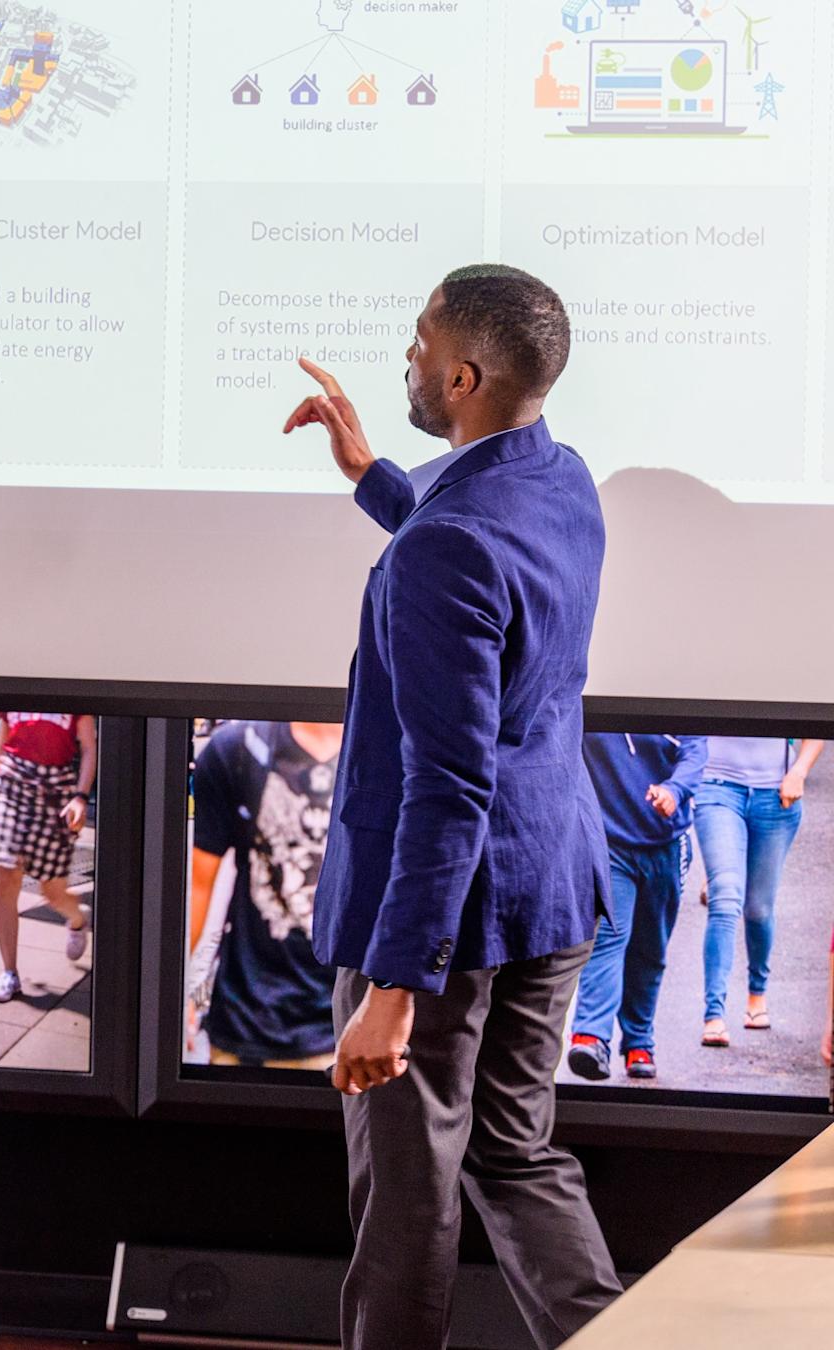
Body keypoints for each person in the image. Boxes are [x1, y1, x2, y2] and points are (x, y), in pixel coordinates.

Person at [288, 264, 620, 1349]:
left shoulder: (444, 546)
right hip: (550, 890)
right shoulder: (562, 477)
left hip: (444, 919)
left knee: (405, 1203)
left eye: (420, 343)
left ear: (464, 375)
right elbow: (466, 536)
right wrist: (370, 472)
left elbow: (446, 782)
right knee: (518, 1157)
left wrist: (394, 985)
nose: (406, 359)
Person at [188, 721, 344, 1070]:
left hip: (344, 1030)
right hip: (245, 1017)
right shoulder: (238, 747)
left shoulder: (393, 749)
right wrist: (174, 986)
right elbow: (199, 883)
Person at [567, 733, 706, 1081]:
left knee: (650, 951)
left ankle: (639, 1043)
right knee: (610, 938)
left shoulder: (679, 691)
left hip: (667, 846)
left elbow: (695, 752)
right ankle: (590, 1036)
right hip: (610, 844)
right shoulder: (598, 695)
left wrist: (674, 790)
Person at [692, 736, 822, 1044]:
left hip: (776, 793)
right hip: (716, 786)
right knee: (725, 898)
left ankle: (756, 995)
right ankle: (714, 1015)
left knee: (758, 909)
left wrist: (799, 771)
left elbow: (815, 724)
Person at [0, 712, 96, 1003]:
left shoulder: (72, 693)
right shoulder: (19, 687)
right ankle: (9, 972)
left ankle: (77, 918)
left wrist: (80, 797)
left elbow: (88, 748)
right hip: (13, 781)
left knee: (53, 892)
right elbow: (3, 736)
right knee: (6, 874)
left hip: (55, 787)